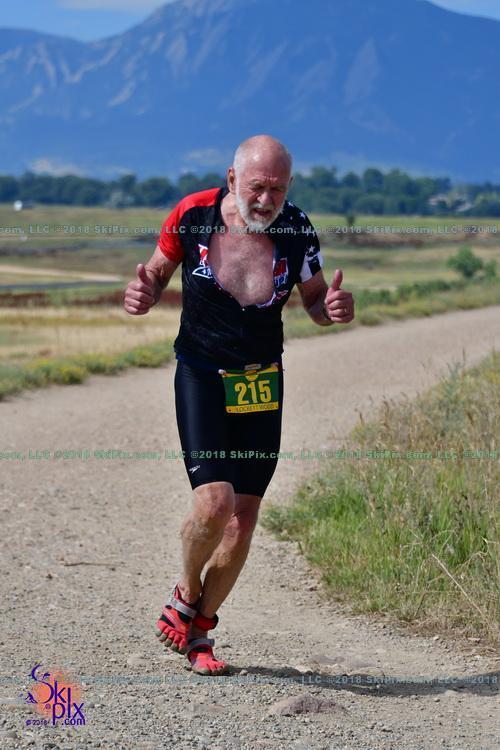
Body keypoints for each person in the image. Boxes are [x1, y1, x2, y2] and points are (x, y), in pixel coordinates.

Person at [124, 135, 355, 676]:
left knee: (242, 519)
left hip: (260, 381)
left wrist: (332, 309)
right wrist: (144, 292)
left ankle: (200, 631)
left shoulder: (297, 229)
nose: (266, 199)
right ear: (232, 179)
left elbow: (315, 300)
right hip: (202, 373)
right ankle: (185, 594)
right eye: (257, 187)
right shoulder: (193, 215)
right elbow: (156, 272)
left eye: (278, 189)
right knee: (214, 504)